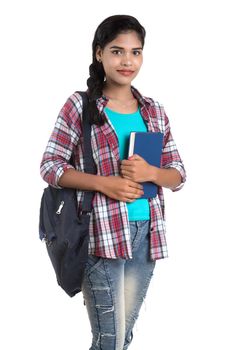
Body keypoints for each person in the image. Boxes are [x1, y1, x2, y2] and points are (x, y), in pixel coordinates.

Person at [40, 14, 186, 350]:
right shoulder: (81, 105)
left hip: (145, 235)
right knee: (110, 338)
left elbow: (177, 173)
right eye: (117, 51)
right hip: (100, 236)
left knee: (123, 336)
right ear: (99, 53)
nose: (127, 61)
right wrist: (106, 184)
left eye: (135, 52)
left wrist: (151, 174)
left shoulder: (154, 111)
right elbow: (50, 165)